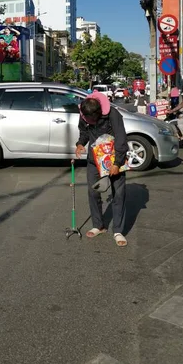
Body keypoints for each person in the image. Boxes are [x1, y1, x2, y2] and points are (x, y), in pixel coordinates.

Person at [75, 91, 129, 247]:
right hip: (94, 160)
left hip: (113, 159)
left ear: (99, 113)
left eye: (92, 118)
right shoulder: (84, 113)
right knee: (93, 191)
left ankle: (118, 231)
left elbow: (121, 138)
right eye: (87, 118)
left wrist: (117, 163)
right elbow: (84, 132)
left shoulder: (113, 115)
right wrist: (80, 144)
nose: (89, 121)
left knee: (118, 193)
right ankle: (98, 225)